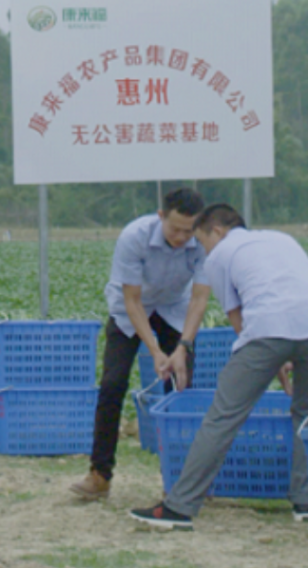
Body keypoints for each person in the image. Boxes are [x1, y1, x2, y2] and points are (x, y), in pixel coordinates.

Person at [129, 203, 308, 530]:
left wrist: (271, 359)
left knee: (223, 417)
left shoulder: (220, 256)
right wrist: (281, 359)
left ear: (217, 231)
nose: (204, 250)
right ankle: (307, 502)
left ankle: (180, 507)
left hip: (267, 330)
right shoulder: (283, 239)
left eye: (202, 241)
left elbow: (237, 318)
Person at [70, 187, 210, 501]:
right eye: (175, 229)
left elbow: (200, 298)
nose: (181, 237)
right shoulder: (134, 237)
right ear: (161, 216)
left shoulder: (200, 242)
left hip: (174, 310)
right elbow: (132, 301)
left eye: (188, 231)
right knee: (112, 384)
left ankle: (180, 479)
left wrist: (182, 347)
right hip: (131, 312)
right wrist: (156, 352)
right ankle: (99, 474)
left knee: (181, 388)